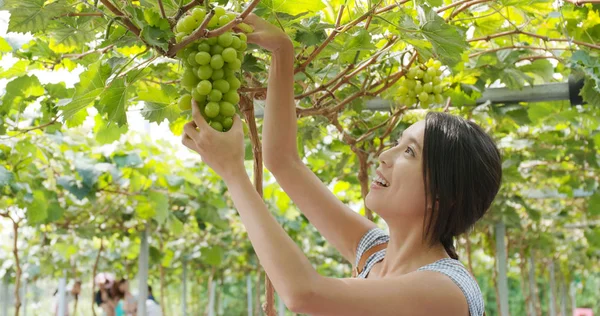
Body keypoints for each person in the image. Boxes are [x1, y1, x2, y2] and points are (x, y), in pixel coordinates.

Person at [181, 13, 501, 316]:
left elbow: (304, 294)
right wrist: (281, 51)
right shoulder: (375, 251)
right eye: (397, 143)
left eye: (409, 153)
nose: (385, 156)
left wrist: (233, 172)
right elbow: (282, 161)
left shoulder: (446, 291)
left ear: (444, 195)